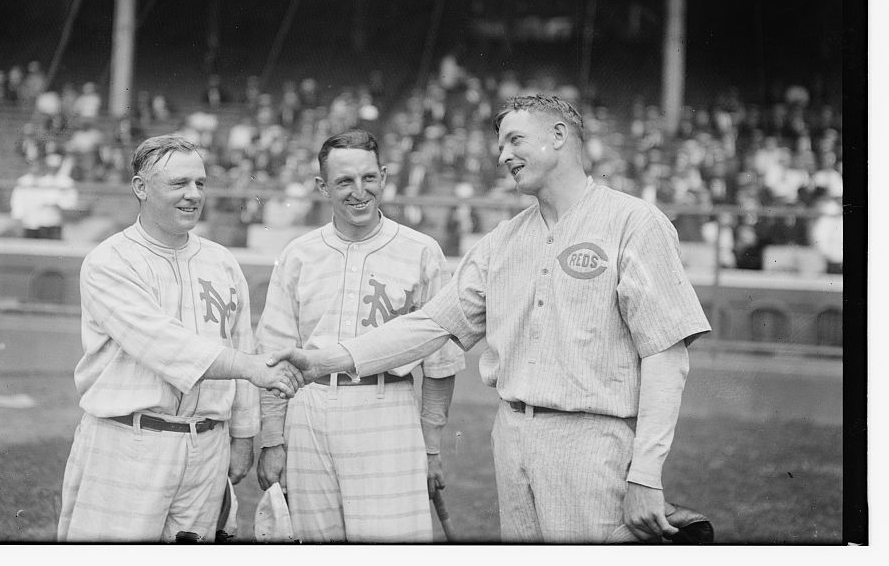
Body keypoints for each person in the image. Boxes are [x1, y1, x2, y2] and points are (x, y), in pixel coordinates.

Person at [277, 95, 711, 544]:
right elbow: (428, 325)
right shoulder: (502, 240)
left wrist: (646, 474)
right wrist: (326, 361)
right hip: (512, 439)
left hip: (592, 442)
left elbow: (665, 355)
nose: (503, 155)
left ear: (559, 136)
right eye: (501, 144)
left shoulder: (634, 222)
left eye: (515, 140)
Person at [57, 135, 305, 543]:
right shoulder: (110, 261)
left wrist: (243, 435)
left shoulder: (222, 261)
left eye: (200, 184)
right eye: (179, 184)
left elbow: (243, 344)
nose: (193, 195)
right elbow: (164, 344)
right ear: (141, 188)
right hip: (130, 442)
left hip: (207, 446)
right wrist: (250, 368)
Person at [255, 130, 465, 543]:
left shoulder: (421, 251)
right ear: (322, 187)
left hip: (386, 408)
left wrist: (432, 446)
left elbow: (441, 364)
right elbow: (272, 355)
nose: (359, 192)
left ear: (384, 177)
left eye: (369, 178)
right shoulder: (298, 253)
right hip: (309, 412)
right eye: (344, 182)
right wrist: (274, 440)